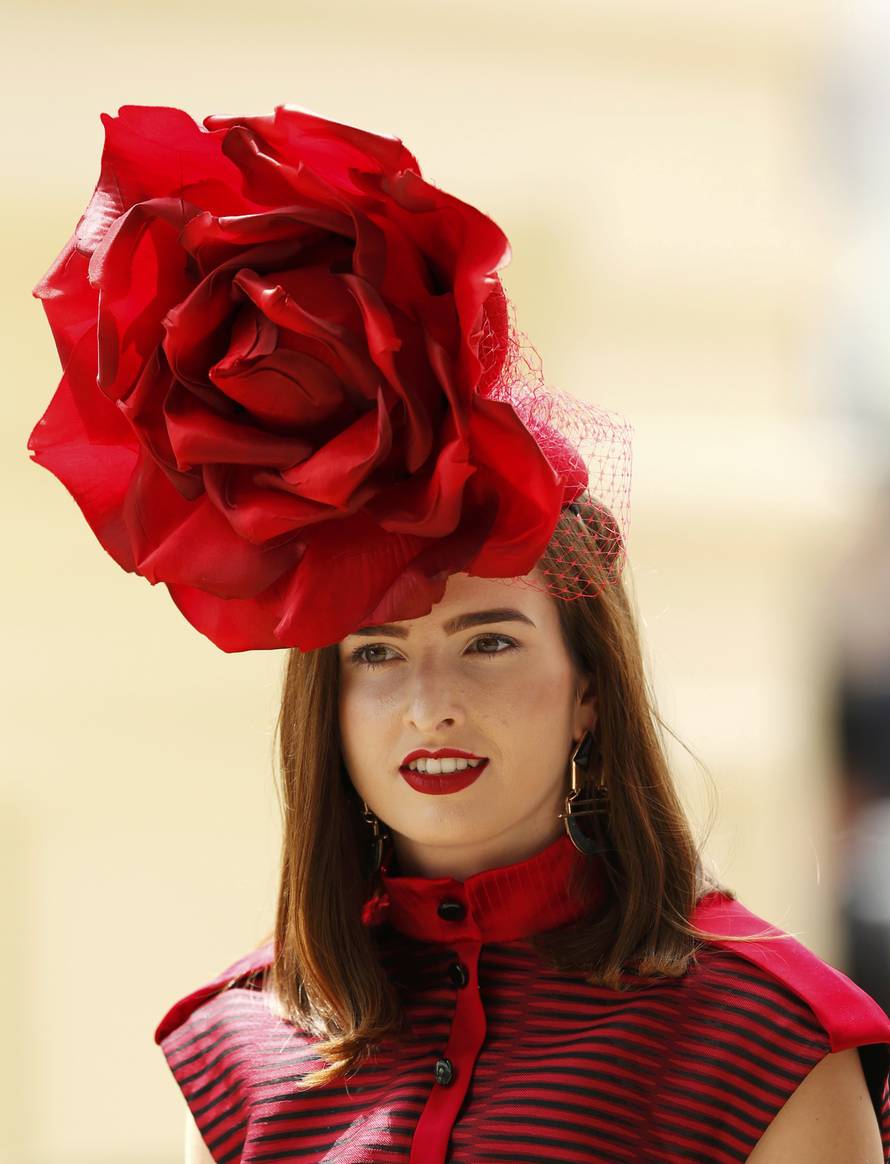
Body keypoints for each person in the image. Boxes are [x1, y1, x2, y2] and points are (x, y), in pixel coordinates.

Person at [28, 104, 890, 1164]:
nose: (430, 703)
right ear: (325, 705)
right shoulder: (238, 1041)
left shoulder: (767, 1036)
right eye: (377, 655)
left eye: (489, 643)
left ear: (588, 688)